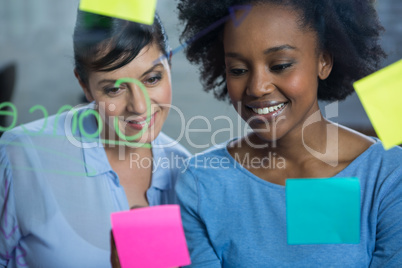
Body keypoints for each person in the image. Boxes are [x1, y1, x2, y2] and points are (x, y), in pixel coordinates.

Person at [175, 0, 402, 267]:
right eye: (237, 70)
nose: (257, 87)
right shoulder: (201, 183)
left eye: (280, 65)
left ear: (324, 61)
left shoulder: (387, 175)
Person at [0, 10, 190, 267]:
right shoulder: (21, 156)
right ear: (85, 85)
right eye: (114, 89)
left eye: (152, 78)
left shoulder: (187, 171)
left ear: (169, 63)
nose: (139, 106)